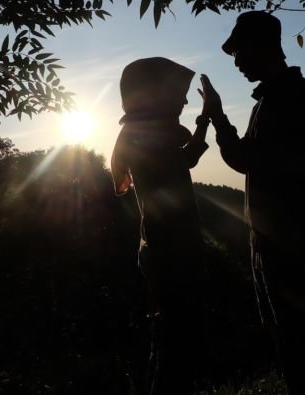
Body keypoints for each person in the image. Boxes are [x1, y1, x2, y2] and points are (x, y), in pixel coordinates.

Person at [198, 11, 305, 394]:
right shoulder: (275, 99)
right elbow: (253, 160)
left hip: (286, 249)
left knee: (298, 343)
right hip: (275, 246)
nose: (237, 61)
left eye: (240, 51)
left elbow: (249, 161)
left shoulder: (292, 99)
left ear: (263, 48)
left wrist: (218, 117)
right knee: (288, 339)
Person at [111, 57, 210, 395]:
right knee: (175, 354)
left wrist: (206, 119)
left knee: (168, 350)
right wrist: (160, 278)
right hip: (172, 257)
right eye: (177, 92)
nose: (183, 100)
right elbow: (160, 211)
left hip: (164, 256)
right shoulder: (145, 139)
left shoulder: (142, 137)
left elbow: (184, 159)